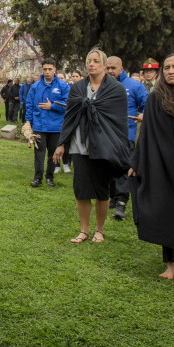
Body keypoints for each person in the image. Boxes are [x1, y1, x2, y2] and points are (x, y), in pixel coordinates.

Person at [53, 49, 130, 243]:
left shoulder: (116, 90)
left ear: (104, 65)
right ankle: (84, 230)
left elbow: (119, 123)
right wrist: (61, 144)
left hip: (103, 146)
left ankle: (99, 229)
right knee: (81, 190)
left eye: (96, 61)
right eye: (89, 61)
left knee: (102, 191)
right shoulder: (78, 88)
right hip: (80, 146)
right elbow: (69, 117)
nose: (92, 64)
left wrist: (120, 148)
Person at [128, 53, 174, 279]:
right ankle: (170, 263)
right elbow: (146, 134)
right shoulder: (155, 98)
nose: (170, 71)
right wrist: (137, 162)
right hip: (163, 162)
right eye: (167, 67)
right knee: (167, 209)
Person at [104, 56, 148, 220]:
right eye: (107, 68)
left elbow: (147, 104)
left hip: (126, 135)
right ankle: (112, 198)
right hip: (106, 134)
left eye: (113, 68)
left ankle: (122, 201)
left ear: (121, 69)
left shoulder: (134, 86)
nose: (110, 71)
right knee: (108, 167)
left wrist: (143, 113)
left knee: (123, 168)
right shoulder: (102, 85)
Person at [25, 58, 70, 187]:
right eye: (45, 69)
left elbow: (67, 105)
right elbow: (30, 105)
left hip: (55, 126)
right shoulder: (35, 86)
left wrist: (52, 107)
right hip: (39, 125)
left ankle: (50, 177)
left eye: (50, 69)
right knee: (39, 154)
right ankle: (38, 178)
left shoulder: (63, 86)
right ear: (42, 70)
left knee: (52, 154)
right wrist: (29, 123)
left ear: (55, 69)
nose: (47, 72)